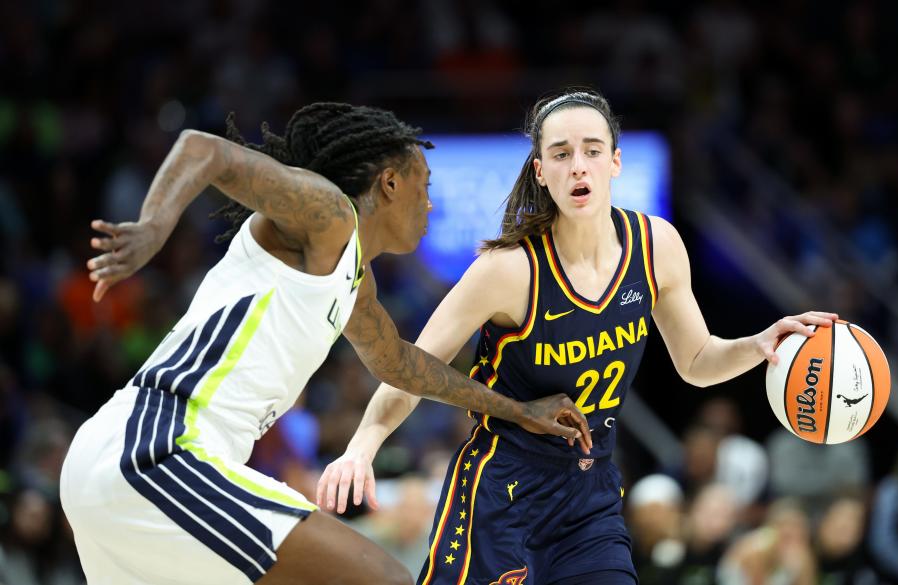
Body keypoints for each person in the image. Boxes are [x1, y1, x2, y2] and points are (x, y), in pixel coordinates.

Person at [59, 102, 592, 585]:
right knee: (384, 579)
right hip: (158, 448)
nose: (430, 204)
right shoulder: (330, 215)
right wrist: (153, 228)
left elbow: (402, 365)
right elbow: (203, 149)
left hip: (131, 469)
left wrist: (516, 410)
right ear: (389, 183)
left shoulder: (354, 280)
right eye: (424, 185)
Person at [318, 89, 837, 585]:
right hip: (500, 492)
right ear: (541, 172)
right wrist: (361, 447)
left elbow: (696, 360)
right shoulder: (507, 270)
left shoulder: (656, 247)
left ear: (615, 161)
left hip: (589, 495)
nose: (578, 166)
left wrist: (759, 343)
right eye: (561, 154)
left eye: (592, 151)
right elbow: (411, 369)